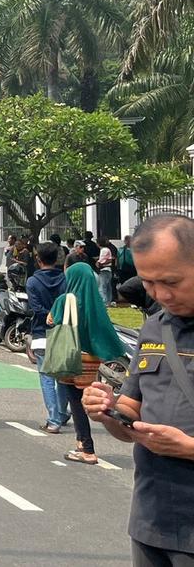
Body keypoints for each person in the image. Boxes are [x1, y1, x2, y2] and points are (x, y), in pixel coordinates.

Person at [82, 215, 194, 565]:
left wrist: (189, 448)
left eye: (171, 281)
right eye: (148, 283)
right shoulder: (154, 330)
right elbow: (130, 418)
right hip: (152, 519)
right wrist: (107, 410)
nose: (161, 294)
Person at [48, 259, 125, 465]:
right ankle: (82, 444)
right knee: (85, 397)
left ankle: (86, 447)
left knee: (75, 401)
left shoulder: (65, 300)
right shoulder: (96, 302)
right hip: (91, 360)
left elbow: (51, 320)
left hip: (70, 356)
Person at [25, 242, 69, 434]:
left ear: (38, 259)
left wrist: (49, 315)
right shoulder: (65, 280)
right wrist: (57, 316)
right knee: (63, 377)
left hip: (42, 333)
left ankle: (54, 419)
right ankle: (61, 413)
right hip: (63, 333)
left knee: (46, 377)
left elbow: (35, 309)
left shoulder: (33, 282)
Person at [97, 237, 116, 306]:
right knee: (108, 287)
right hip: (108, 270)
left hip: (104, 270)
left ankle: (104, 302)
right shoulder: (107, 249)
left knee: (102, 286)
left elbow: (102, 260)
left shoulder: (103, 250)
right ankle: (108, 301)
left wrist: (98, 263)